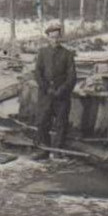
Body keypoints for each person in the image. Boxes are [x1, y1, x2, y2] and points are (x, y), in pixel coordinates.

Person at [32, 21, 76, 159]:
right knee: (42, 121)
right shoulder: (42, 53)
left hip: (61, 96)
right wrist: (46, 88)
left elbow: (72, 77)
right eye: (52, 37)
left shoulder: (67, 54)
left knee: (61, 123)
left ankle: (57, 150)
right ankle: (44, 149)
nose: (55, 39)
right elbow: (37, 73)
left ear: (60, 37)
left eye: (57, 37)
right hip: (45, 94)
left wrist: (61, 90)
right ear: (48, 37)